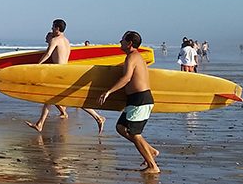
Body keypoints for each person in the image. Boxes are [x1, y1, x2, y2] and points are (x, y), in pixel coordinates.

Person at [25, 19, 104, 133]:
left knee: (56, 98)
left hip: (59, 73)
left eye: (53, 27)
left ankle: (98, 117)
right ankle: (40, 123)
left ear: (57, 28)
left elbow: (48, 54)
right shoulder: (66, 41)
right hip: (64, 71)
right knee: (52, 98)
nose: (51, 29)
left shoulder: (56, 40)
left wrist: (37, 65)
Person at [98, 30, 160, 173]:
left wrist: (108, 91)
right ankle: (150, 150)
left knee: (134, 133)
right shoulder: (134, 57)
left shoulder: (132, 57)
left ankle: (153, 166)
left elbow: (126, 78)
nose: (120, 42)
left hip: (140, 99)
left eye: (122, 40)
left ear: (129, 43)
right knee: (121, 127)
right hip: (135, 99)